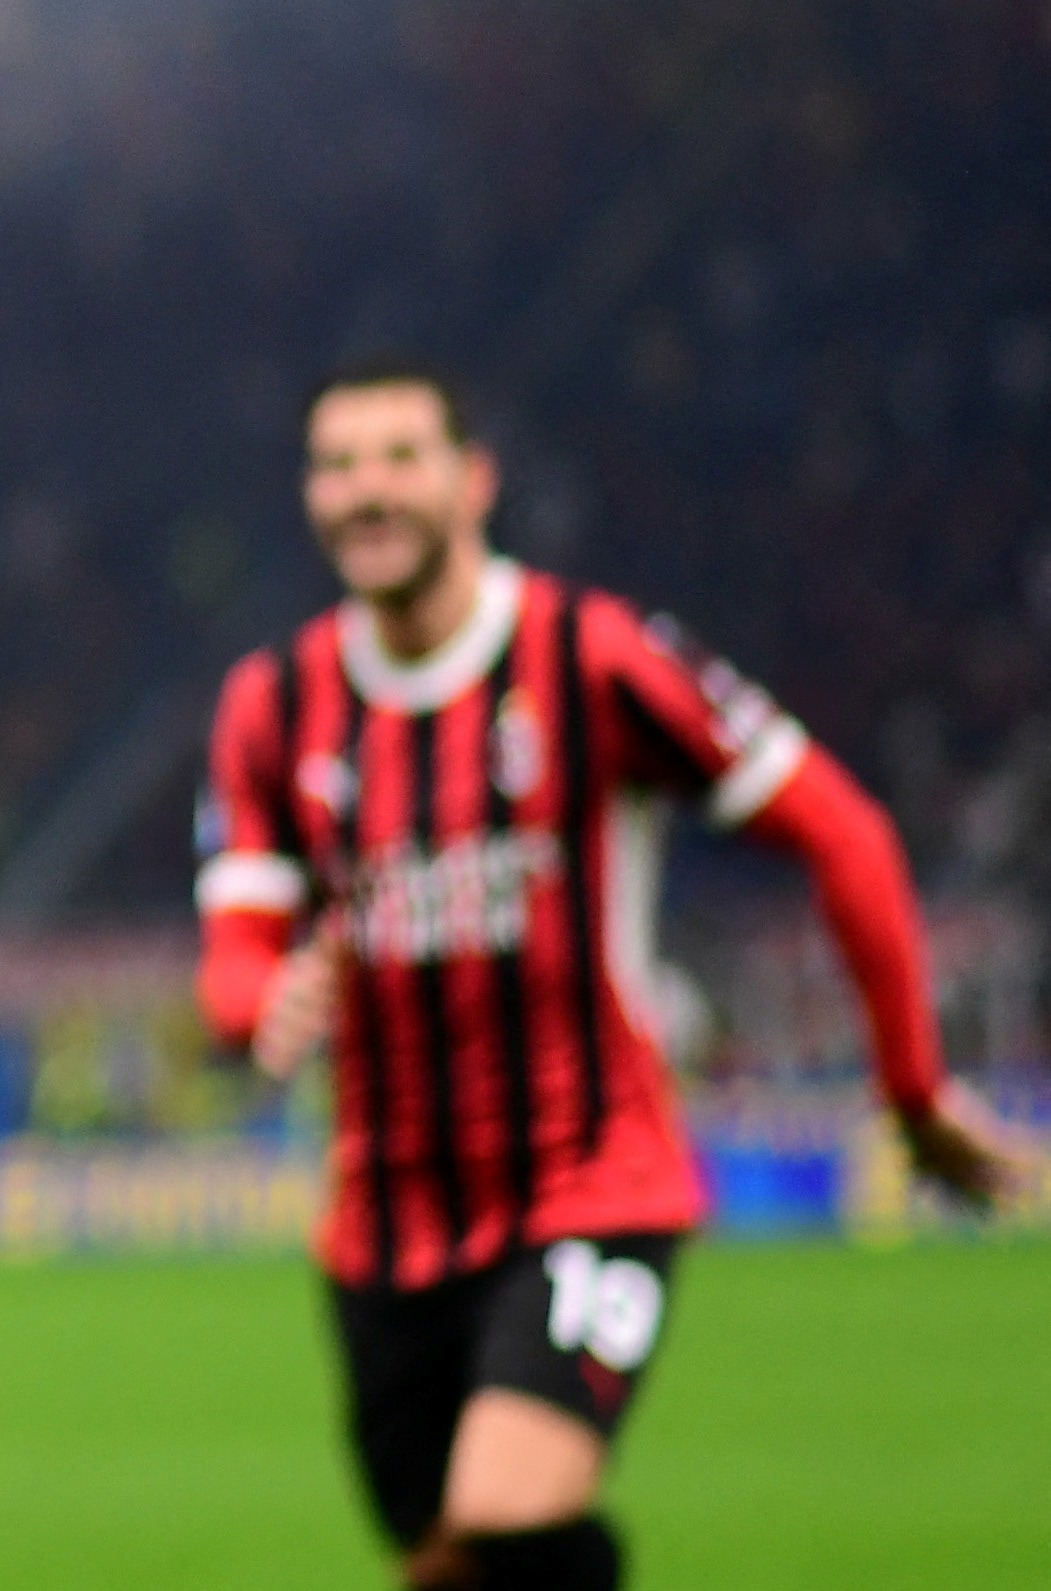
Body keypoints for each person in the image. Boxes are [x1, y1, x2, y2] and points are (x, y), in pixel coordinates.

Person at [195, 360, 1027, 1591]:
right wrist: (258, 1005)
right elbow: (235, 958)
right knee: (450, 1561)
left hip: (591, 1176)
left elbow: (845, 833)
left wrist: (910, 1088)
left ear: (474, 479)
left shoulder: (596, 655)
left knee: (508, 1515)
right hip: (382, 1225)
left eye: (399, 456)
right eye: (337, 464)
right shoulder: (273, 704)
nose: (366, 491)